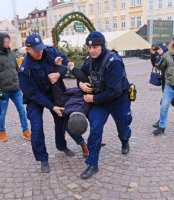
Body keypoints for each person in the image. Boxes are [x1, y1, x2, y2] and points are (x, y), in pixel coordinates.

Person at [18, 33, 87, 173]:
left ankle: (62, 146)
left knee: (63, 119)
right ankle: (43, 159)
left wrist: (58, 73)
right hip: (35, 99)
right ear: (27, 49)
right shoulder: (25, 69)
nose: (40, 52)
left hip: (54, 92)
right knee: (37, 128)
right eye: (36, 50)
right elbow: (32, 93)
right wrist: (51, 106)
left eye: (41, 48)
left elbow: (65, 62)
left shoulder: (49, 51)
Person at [70, 31, 132, 179]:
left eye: (95, 47)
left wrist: (93, 99)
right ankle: (92, 164)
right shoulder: (89, 60)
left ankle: (124, 141)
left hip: (118, 100)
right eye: (89, 47)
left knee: (123, 127)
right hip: (100, 102)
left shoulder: (114, 61)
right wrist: (80, 84)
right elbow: (83, 75)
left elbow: (114, 91)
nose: (91, 50)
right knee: (96, 128)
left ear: (102, 46)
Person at [0, 33, 31, 142]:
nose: (7, 44)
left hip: (16, 89)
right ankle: (2, 132)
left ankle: (25, 131)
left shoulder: (11, 53)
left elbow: (16, 69)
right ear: (0, 41)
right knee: (2, 112)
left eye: (8, 42)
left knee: (22, 110)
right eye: (5, 42)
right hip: (3, 91)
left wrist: (21, 83)